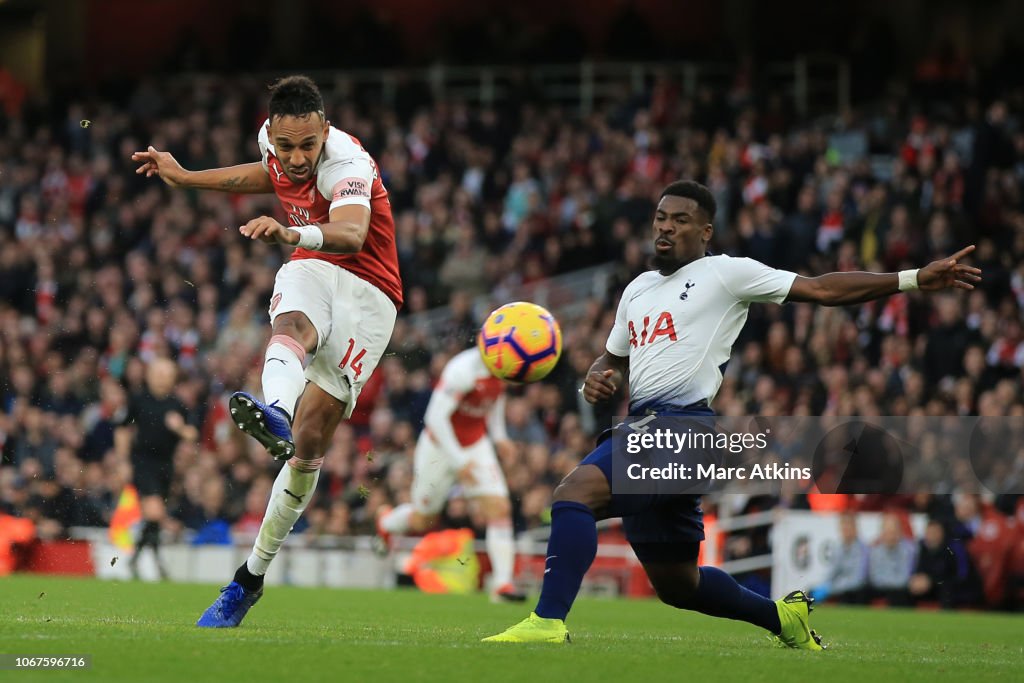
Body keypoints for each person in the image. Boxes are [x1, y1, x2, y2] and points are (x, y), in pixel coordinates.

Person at [483, 180, 981, 646]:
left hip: (683, 427)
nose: (665, 227)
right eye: (660, 217)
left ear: (705, 232)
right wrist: (597, 376)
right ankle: (783, 620)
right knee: (679, 585)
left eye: (679, 220)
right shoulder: (635, 291)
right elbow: (612, 357)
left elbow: (823, 289)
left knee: (574, 494)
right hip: (646, 427)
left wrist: (914, 278)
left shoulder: (726, 273)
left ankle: (547, 621)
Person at [133, 75, 401, 627]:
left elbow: (351, 234)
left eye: (308, 145)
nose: (298, 158)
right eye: (287, 147)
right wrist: (186, 178)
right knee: (291, 324)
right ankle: (274, 410)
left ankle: (251, 576)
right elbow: (266, 175)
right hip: (313, 267)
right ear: (272, 134)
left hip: (371, 292)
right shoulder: (272, 145)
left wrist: (288, 234)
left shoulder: (346, 162)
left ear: (325, 129)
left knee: (310, 446)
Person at [377, 346, 525, 602]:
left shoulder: (502, 368)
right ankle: (387, 523)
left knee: (500, 508)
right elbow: (435, 418)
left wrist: (499, 437)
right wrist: (459, 461)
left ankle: (502, 585)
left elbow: (495, 398)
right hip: (439, 447)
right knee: (423, 519)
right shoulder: (463, 369)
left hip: (475, 444)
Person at [115, 357, 199, 579]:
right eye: (158, 373)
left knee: (153, 518)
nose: (162, 378)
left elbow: (193, 434)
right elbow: (122, 429)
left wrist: (179, 428)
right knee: (155, 512)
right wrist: (123, 461)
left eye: (166, 374)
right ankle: (151, 562)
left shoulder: (177, 405)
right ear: (149, 375)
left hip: (166, 466)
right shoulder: (139, 400)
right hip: (142, 462)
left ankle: (140, 560)